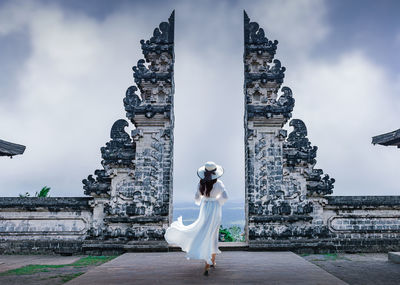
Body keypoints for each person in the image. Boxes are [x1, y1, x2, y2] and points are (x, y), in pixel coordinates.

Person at [164, 161, 228, 276]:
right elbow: (225, 197)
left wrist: (204, 200)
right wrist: (216, 201)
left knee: (204, 231)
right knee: (213, 233)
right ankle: (211, 261)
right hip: (215, 209)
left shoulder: (201, 184)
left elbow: (197, 198)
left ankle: (209, 260)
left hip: (205, 208)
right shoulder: (219, 184)